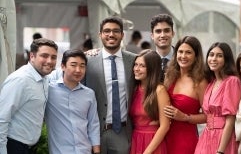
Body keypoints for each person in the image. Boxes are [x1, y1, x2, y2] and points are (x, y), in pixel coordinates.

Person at [84, 16, 136, 154]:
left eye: (115, 31)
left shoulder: (134, 60)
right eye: (106, 31)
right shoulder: (87, 60)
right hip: (94, 133)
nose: (111, 34)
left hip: (123, 132)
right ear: (100, 35)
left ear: (122, 35)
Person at [0, 38, 58, 154]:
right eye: (44, 56)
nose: (50, 61)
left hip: (26, 148)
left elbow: (68, 70)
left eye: (53, 57)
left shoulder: (44, 78)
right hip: (12, 146)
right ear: (32, 56)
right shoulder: (20, 80)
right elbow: (2, 118)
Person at [45, 49, 100, 154]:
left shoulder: (89, 94)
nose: (78, 70)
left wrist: (96, 151)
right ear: (63, 66)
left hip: (85, 150)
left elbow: (93, 124)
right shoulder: (48, 89)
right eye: (73, 65)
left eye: (82, 66)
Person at [194, 42, 241, 154]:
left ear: (227, 59)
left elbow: (230, 120)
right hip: (207, 136)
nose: (214, 59)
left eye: (219, 56)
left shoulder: (232, 81)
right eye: (211, 55)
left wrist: (220, 151)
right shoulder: (212, 83)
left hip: (223, 138)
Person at [163, 36, 208, 154]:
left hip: (185, 142)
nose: (183, 56)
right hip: (163, 137)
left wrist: (186, 117)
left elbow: (209, 116)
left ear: (196, 56)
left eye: (188, 52)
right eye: (180, 52)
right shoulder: (169, 76)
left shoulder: (200, 82)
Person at [130, 50, 170, 154]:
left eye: (142, 66)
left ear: (152, 69)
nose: (136, 69)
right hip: (136, 140)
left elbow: (165, 126)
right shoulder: (134, 88)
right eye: (136, 65)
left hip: (153, 142)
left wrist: (147, 152)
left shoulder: (159, 90)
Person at [150, 13, 175, 82]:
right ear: (152, 35)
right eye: (158, 31)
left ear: (173, 33)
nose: (163, 35)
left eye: (166, 30)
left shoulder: (182, 59)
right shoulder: (146, 60)